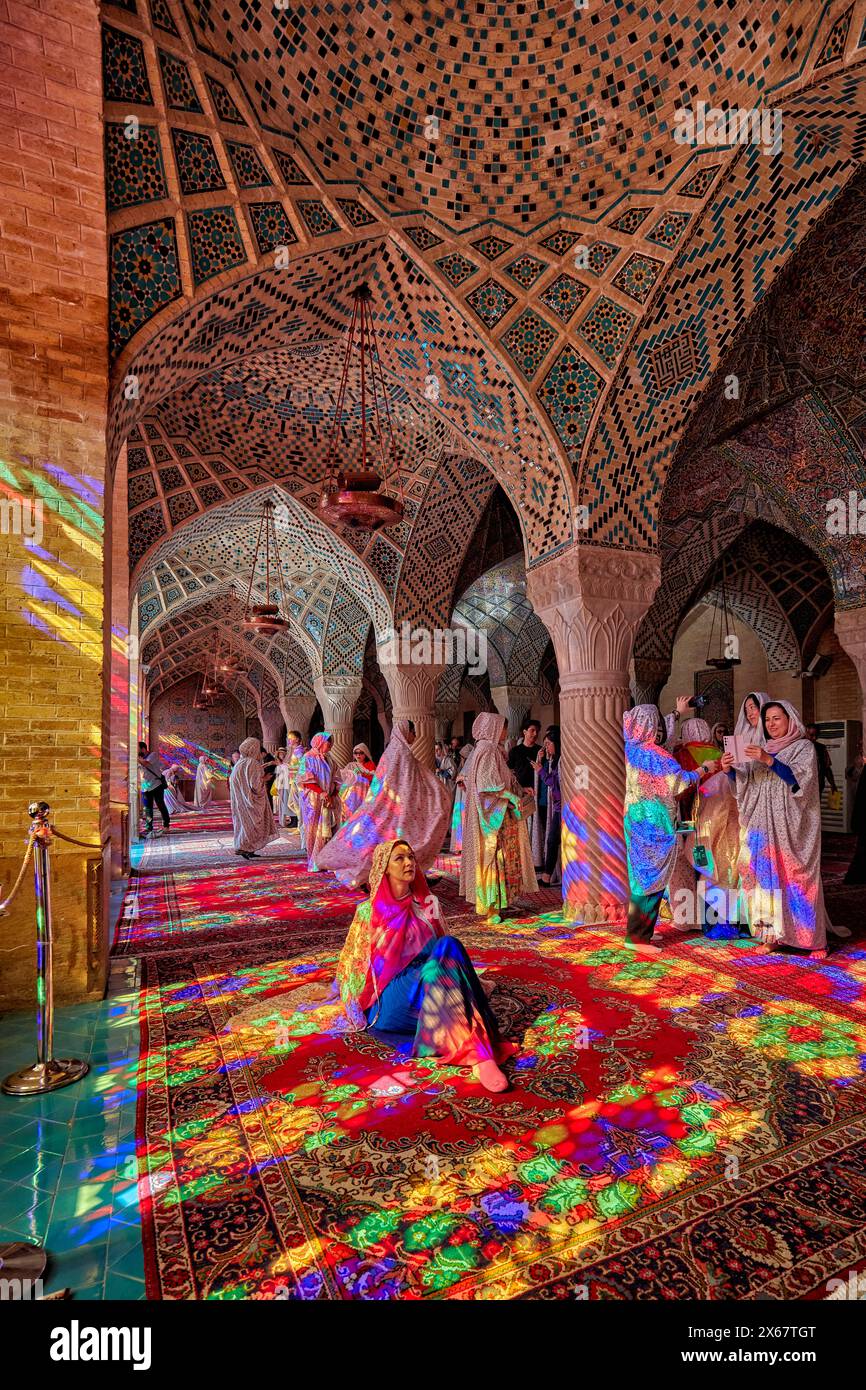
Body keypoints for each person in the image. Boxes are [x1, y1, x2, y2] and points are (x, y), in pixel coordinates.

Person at [335, 840, 516, 1092]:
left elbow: (445, 955)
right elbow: (352, 963)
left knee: (449, 945)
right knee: (447, 952)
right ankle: (480, 1055)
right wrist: (338, 990)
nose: (409, 863)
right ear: (384, 868)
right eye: (399, 858)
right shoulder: (368, 912)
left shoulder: (427, 905)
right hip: (393, 1001)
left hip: (430, 988)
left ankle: (477, 1054)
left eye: (411, 857)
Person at [721, 701, 832, 957]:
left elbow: (801, 782)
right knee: (765, 878)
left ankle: (813, 940)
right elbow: (746, 787)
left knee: (797, 879)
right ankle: (773, 935)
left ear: (790, 719)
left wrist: (769, 760)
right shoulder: (762, 749)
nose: (771, 724)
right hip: (763, 826)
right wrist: (729, 771)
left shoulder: (803, 747)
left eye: (776, 718)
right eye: (767, 719)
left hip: (792, 828)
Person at [622, 705, 718, 953]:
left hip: (635, 822)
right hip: (655, 825)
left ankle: (641, 932)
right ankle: (637, 938)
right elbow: (679, 783)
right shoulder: (657, 756)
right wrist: (704, 768)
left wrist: (676, 714)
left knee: (641, 877)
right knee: (651, 880)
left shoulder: (632, 750)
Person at [317, 721, 450, 888]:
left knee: (382, 841)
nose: (415, 736)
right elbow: (409, 784)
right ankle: (401, 877)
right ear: (405, 731)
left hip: (386, 805)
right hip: (398, 808)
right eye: (413, 731)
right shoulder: (402, 753)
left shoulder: (391, 751)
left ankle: (416, 876)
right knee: (400, 841)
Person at [460, 712, 537, 921]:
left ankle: (497, 902)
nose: (505, 731)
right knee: (493, 855)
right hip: (492, 816)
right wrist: (512, 795)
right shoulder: (487, 750)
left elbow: (498, 779)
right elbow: (488, 785)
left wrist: (520, 790)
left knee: (499, 856)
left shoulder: (489, 749)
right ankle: (491, 905)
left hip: (498, 812)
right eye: (503, 727)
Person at [229, 737, 279, 860]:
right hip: (250, 800)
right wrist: (265, 778)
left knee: (243, 824)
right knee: (252, 825)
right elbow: (255, 785)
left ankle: (245, 848)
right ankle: (246, 848)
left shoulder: (240, 763)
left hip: (240, 800)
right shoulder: (252, 763)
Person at [299, 733, 339, 871]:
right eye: (328, 742)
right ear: (320, 742)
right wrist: (321, 792)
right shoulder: (308, 758)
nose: (330, 745)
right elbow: (305, 779)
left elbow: (336, 778)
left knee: (329, 828)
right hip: (313, 800)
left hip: (327, 798)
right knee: (315, 830)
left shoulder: (330, 759)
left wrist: (332, 793)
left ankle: (327, 860)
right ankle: (315, 861)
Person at [507, 718, 542, 865]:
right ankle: (521, 859)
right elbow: (510, 772)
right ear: (524, 732)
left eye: (536, 731)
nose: (534, 734)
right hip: (519, 795)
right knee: (521, 828)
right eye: (532, 730)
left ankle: (534, 860)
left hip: (536, 794)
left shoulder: (540, 751)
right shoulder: (515, 751)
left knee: (535, 829)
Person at [533, 727, 561, 885]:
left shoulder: (562, 760)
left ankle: (547, 877)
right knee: (552, 840)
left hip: (563, 807)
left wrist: (540, 771)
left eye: (548, 744)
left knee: (552, 840)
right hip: (558, 807)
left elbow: (554, 783)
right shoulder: (555, 760)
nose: (547, 748)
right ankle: (547, 876)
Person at [138, 740, 170, 836]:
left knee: (161, 805)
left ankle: (166, 825)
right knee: (148, 808)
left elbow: (146, 763)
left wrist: (135, 756)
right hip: (145, 787)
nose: (136, 751)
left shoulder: (153, 755)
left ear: (143, 749)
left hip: (156, 785)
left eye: (138, 749)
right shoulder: (140, 758)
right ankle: (149, 828)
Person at [338, 742, 376, 820]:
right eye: (356, 753)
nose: (358, 755)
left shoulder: (370, 765)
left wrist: (360, 776)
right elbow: (344, 777)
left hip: (365, 792)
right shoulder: (351, 765)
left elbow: (373, 779)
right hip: (353, 794)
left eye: (361, 753)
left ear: (365, 754)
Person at [805, 724, 837, 798]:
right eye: (811, 735)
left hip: (818, 787)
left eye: (817, 736)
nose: (814, 738)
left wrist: (833, 784)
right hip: (803, 788)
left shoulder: (821, 748)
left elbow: (827, 768)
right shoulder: (798, 748)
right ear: (805, 733)